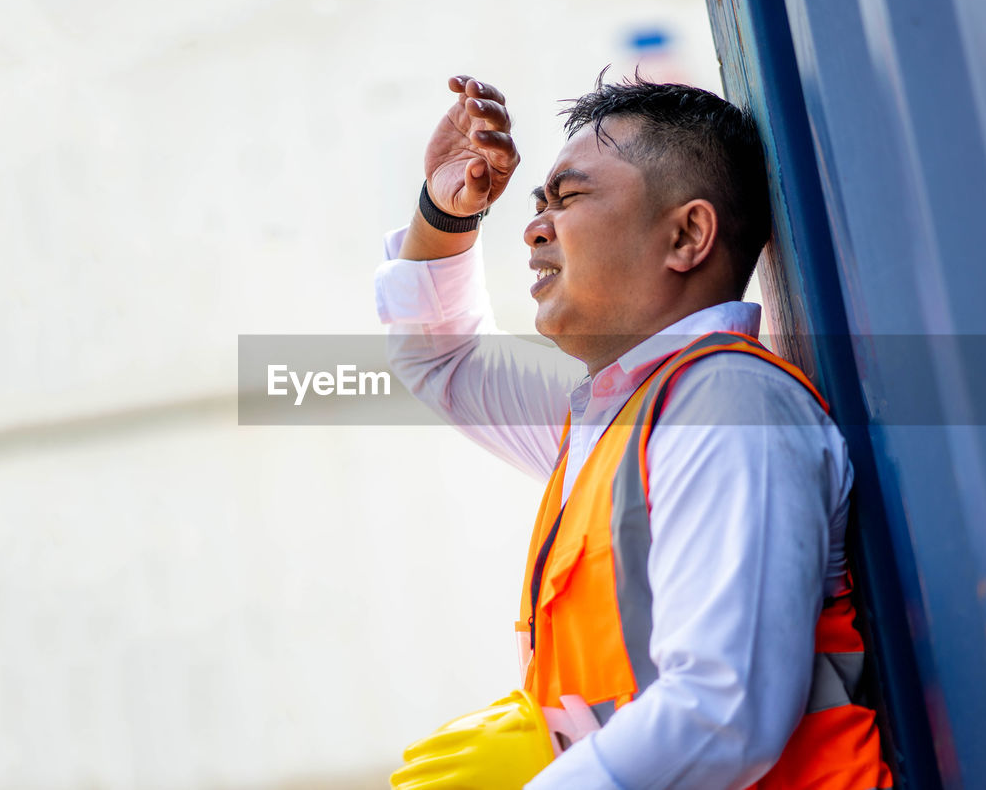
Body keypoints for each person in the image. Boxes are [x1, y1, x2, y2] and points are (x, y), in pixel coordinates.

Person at [377, 73, 893, 789]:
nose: (533, 227)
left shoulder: (729, 405)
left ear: (686, 234)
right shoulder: (619, 413)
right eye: (538, 204)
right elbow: (441, 358)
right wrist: (446, 208)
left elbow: (722, 712)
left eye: (569, 198)